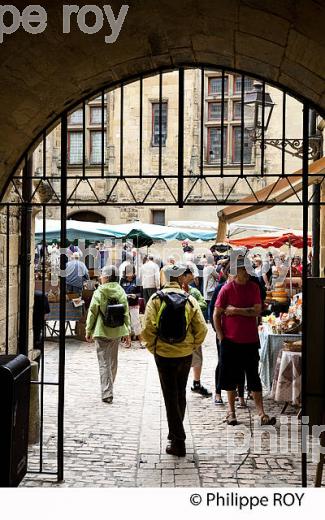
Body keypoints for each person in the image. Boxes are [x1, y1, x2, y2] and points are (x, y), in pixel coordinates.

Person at [142, 264, 208, 457]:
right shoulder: (190, 300)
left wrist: (153, 348)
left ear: (164, 278)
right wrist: (191, 345)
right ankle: (175, 436)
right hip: (185, 354)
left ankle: (179, 440)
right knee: (179, 394)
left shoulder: (155, 299)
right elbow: (202, 329)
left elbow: (147, 329)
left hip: (163, 355)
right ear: (179, 278)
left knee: (170, 395)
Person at [213, 256, 276, 426]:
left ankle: (262, 413)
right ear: (236, 271)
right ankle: (231, 412)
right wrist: (220, 336)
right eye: (244, 269)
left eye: (248, 269)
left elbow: (256, 311)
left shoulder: (254, 288)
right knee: (230, 378)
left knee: (253, 376)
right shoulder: (226, 290)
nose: (248, 273)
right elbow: (216, 314)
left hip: (249, 340)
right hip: (230, 341)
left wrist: (235, 311)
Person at [86, 265, 131, 403]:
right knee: (113, 361)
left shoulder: (100, 291)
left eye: (101, 276)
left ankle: (107, 392)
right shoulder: (121, 291)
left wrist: (88, 330)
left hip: (102, 330)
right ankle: (109, 386)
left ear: (106, 277)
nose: (100, 278)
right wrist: (127, 331)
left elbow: (93, 311)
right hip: (117, 330)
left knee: (104, 362)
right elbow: (125, 312)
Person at [182, 268, 212, 398]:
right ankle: (180, 385)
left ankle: (196, 383)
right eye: (191, 274)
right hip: (179, 331)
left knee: (197, 358)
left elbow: (203, 304)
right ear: (184, 276)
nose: (194, 276)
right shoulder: (174, 291)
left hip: (193, 331)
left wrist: (190, 304)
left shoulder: (193, 291)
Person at [120, 267, 143, 345]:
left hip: (134, 303)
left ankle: (141, 341)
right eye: (127, 273)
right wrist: (124, 295)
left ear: (133, 273)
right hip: (125, 303)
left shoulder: (137, 280)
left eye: (131, 273)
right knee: (126, 322)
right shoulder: (122, 280)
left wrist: (135, 295)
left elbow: (140, 293)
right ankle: (128, 341)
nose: (129, 275)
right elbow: (120, 291)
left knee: (136, 322)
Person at [203, 255, 218, 321]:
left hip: (206, 288)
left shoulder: (205, 268)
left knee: (207, 303)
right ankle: (210, 318)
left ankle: (206, 318)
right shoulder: (211, 268)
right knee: (211, 304)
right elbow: (217, 276)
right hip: (211, 288)